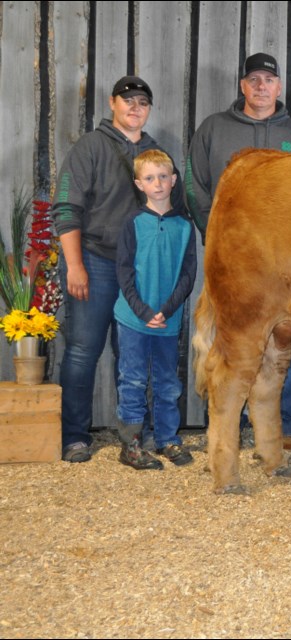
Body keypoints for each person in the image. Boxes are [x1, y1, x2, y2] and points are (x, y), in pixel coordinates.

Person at [186, 52, 291, 452]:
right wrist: (219, 238)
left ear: (279, 87)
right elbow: (194, 183)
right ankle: (228, 427)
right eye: (254, 79)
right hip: (233, 261)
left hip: (284, 261)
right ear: (242, 86)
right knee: (232, 335)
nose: (262, 86)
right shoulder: (213, 128)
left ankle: (282, 429)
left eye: (269, 80)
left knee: (282, 335)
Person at [53, 76, 185, 463]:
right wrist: (74, 265)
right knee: (83, 350)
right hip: (94, 259)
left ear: (148, 109)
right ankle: (74, 436)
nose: (134, 106)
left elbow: (175, 212)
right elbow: (66, 208)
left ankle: (132, 435)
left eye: (142, 101)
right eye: (127, 100)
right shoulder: (90, 147)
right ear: (112, 103)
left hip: (142, 270)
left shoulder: (157, 155)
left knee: (133, 356)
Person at [114, 150, 197, 470]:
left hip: (169, 320)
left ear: (174, 179)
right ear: (139, 184)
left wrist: (166, 309)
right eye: (150, 178)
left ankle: (167, 439)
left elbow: (188, 274)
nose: (158, 183)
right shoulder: (132, 223)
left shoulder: (185, 226)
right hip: (133, 318)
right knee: (132, 379)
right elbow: (123, 272)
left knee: (167, 381)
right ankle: (131, 443)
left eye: (163, 176)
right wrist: (144, 310)